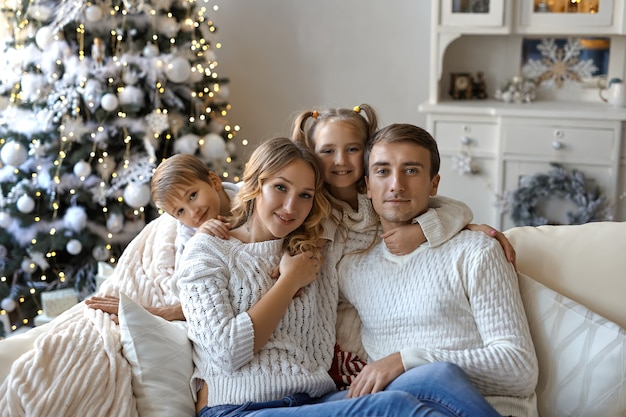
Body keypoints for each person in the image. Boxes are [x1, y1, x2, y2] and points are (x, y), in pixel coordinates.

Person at [172, 136, 503, 417]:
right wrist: (289, 282)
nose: (291, 206)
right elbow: (228, 352)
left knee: (438, 377)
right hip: (242, 409)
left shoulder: (319, 245)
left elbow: (397, 204)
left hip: (315, 401)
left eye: (305, 195)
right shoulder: (208, 251)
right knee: (394, 407)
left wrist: (461, 227)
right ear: (255, 185)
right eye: (280, 188)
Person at [338, 123, 539, 417]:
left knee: (437, 376)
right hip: (394, 408)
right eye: (382, 171)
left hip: (478, 408)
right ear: (367, 185)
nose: (396, 185)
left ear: (434, 184)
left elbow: (519, 368)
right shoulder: (352, 267)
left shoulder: (475, 251)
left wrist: (408, 361)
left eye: (411, 170)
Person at [292, 103, 516, 260]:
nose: (340, 161)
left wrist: (423, 231)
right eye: (328, 151)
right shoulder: (310, 204)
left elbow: (456, 210)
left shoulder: (382, 197)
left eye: (352, 149)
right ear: (312, 154)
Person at [86, 153, 236, 320]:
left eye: (192, 195)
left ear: (214, 181)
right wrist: (200, 239)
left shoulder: (250, 198)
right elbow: (186, 284)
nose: (194, 213)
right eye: (180, 211)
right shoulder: (188, 234)